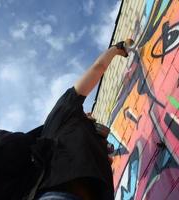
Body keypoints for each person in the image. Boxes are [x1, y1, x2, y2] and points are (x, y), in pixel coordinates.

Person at [35, 39, 134, 200]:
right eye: (88, 116)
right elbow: (97, 68)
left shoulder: (64, 135)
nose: (91, 114)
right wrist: (117, 49)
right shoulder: (65, 110)